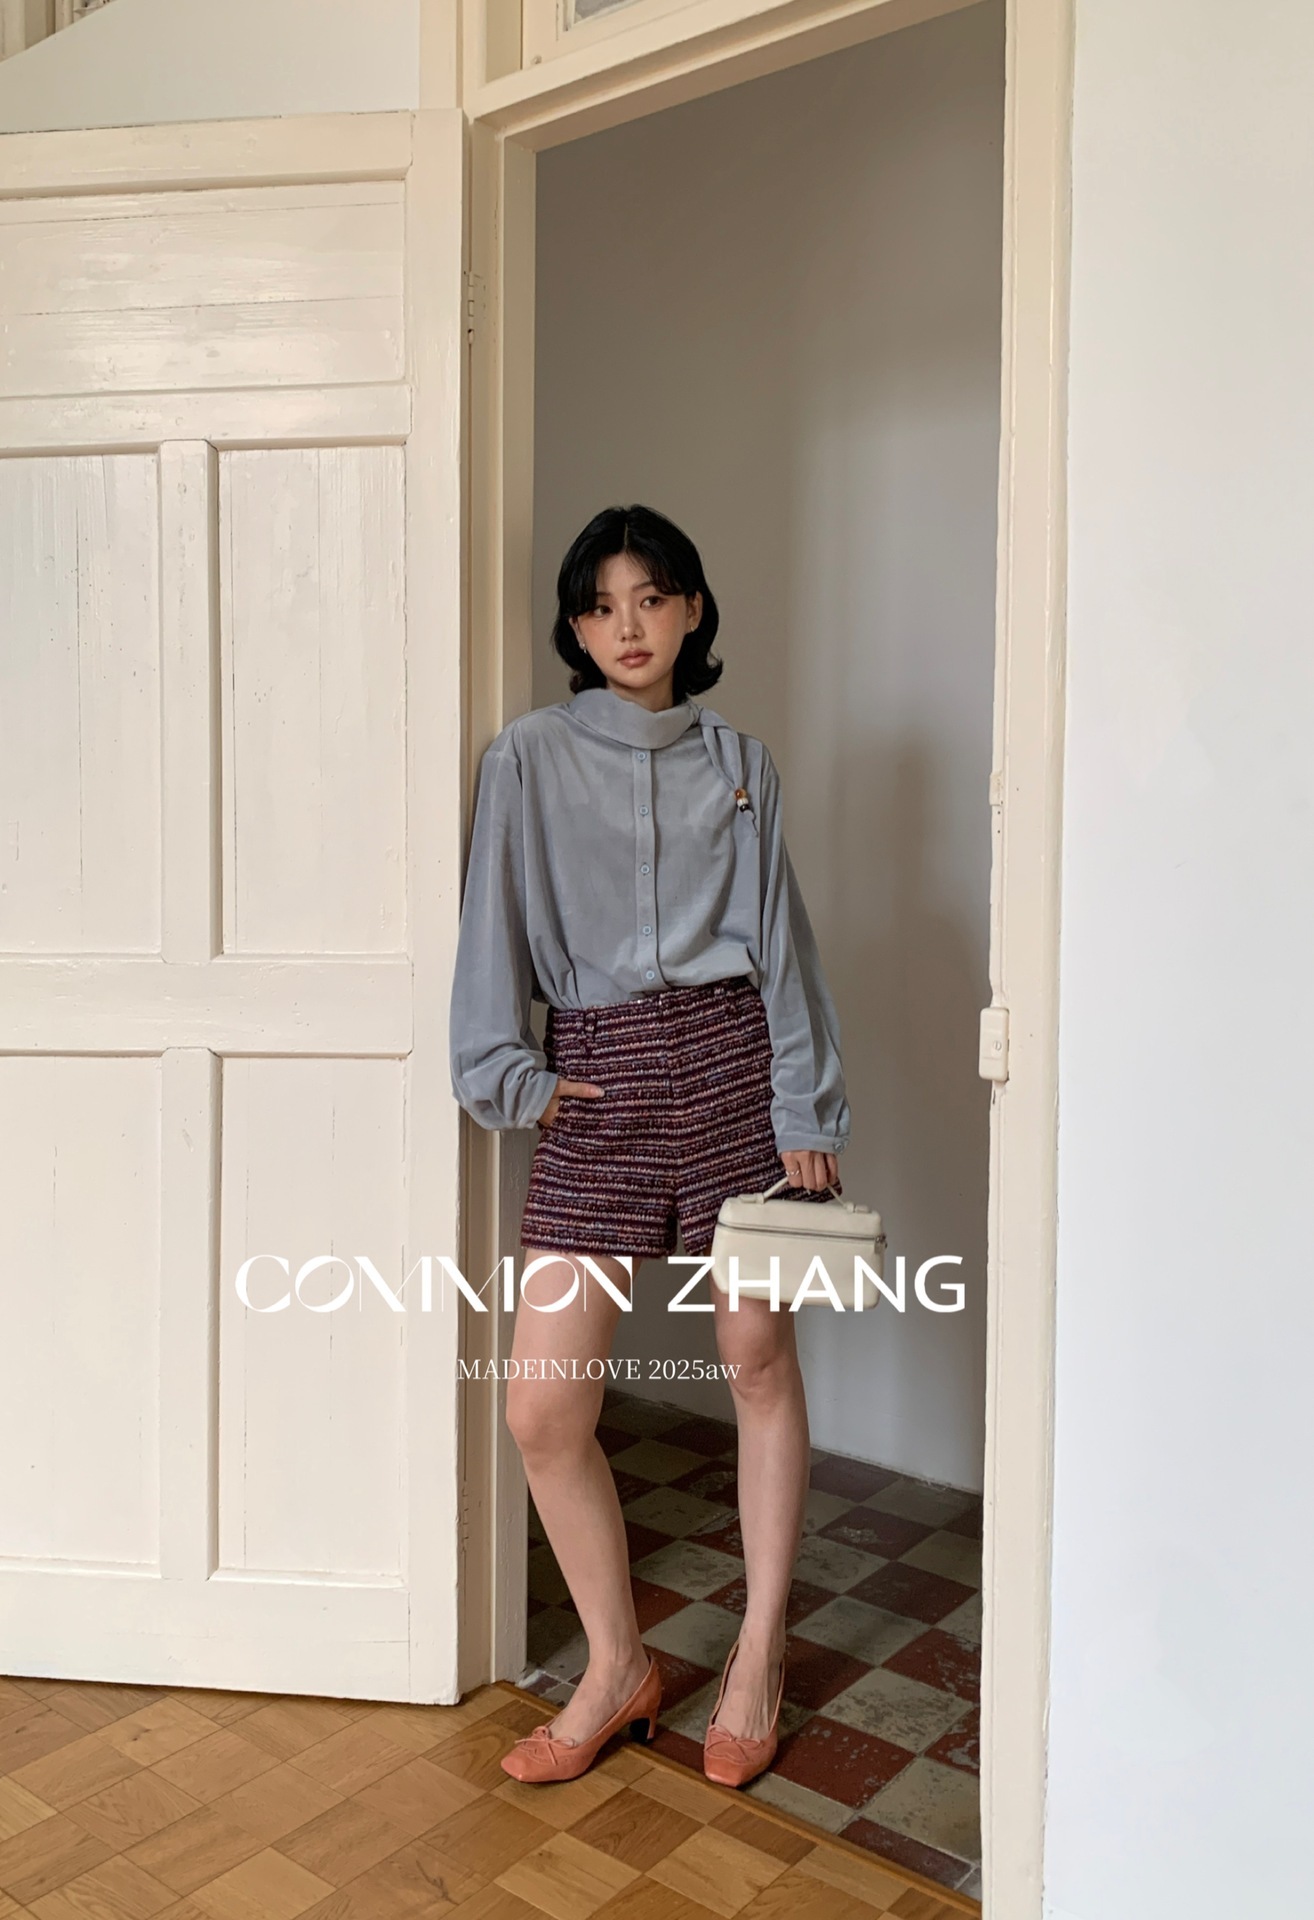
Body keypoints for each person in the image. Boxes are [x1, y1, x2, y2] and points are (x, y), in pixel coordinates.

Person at [448, 504, 851, 1788]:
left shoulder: (741, 763)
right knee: (541, 1407)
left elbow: (780, 942)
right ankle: (617, 1665)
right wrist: (510, 1078)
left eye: (651, 598)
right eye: (599, 605)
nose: (626, 625)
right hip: (597, 1082)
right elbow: (488, 932)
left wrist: (804, 1108)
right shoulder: (524, 759)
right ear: (574, 628)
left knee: (756, 1360)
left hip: (734, 1067)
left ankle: (757, 1653)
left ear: (690, 611)